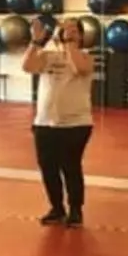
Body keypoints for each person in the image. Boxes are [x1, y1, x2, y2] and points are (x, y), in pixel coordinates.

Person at [22, 18, 95, 228]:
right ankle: (56, 208)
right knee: (48, 167)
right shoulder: (47, 55)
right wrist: (35, 43)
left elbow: (79, 69)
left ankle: (75, 210)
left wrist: (70, 44)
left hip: (76, 124)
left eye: (74, 30)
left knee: (70, 166)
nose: (69, 32)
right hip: (45, 123)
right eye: (65, 29)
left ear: (81, 36)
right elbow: (27, 66)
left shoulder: (86, 56)